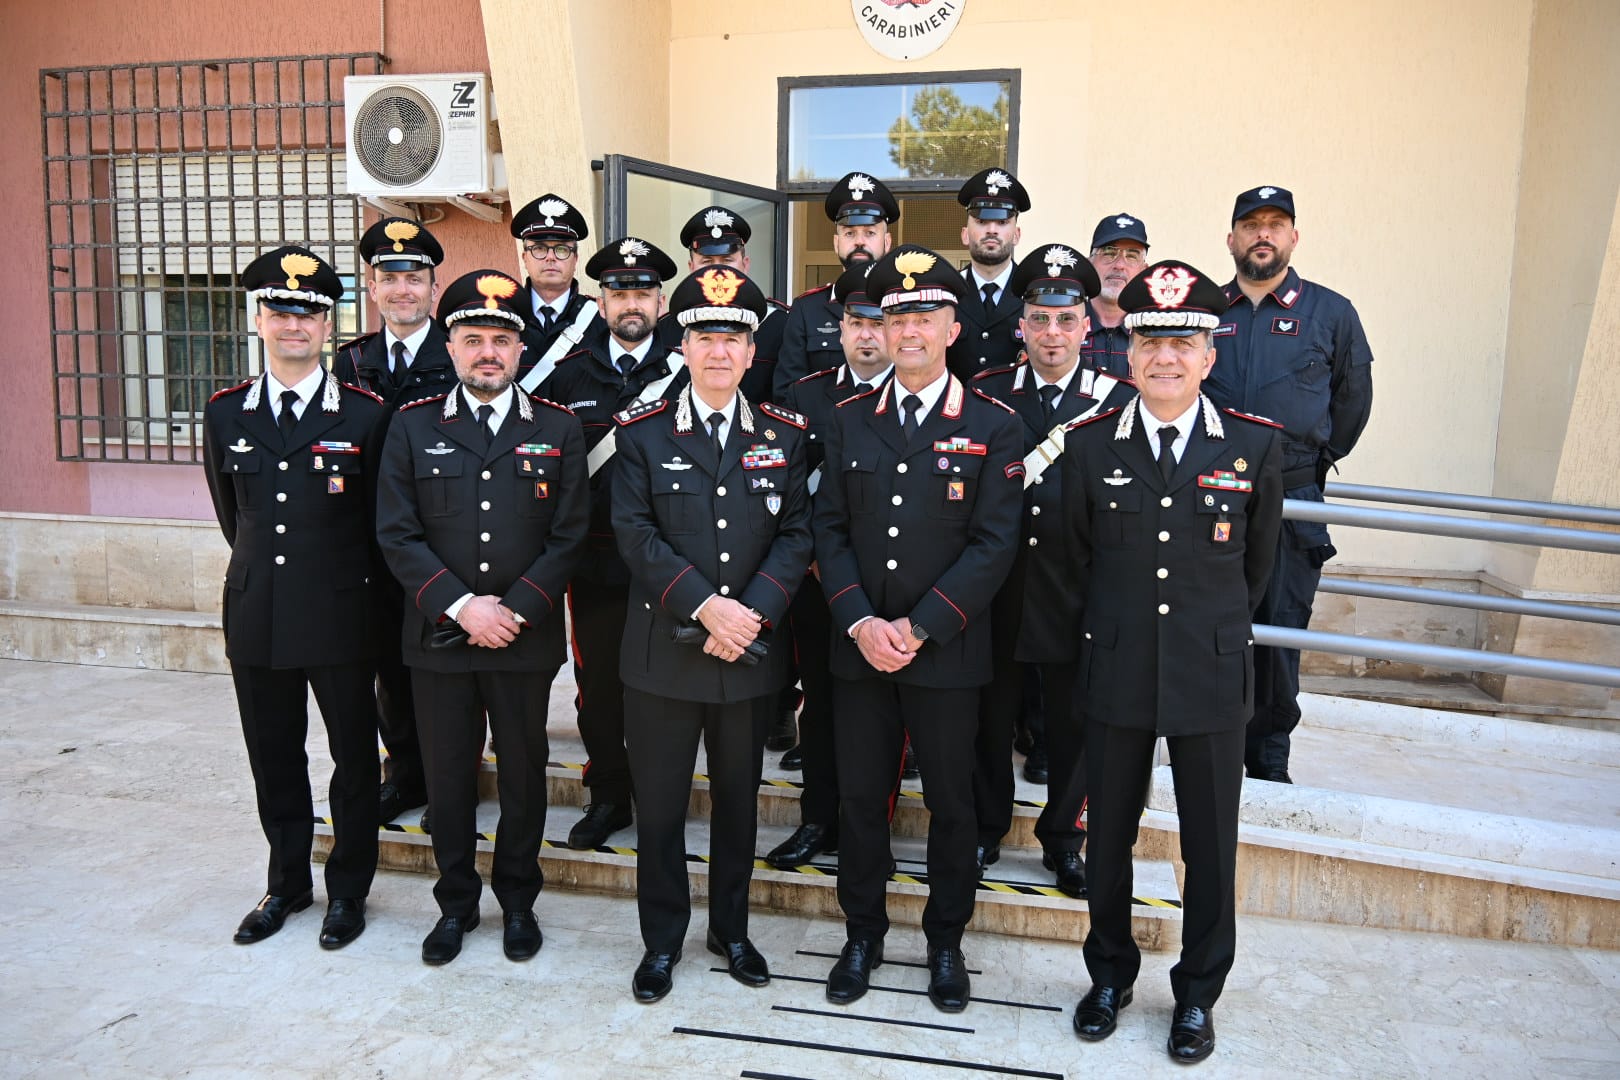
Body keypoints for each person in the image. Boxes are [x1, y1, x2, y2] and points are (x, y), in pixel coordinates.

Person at [1061, 260, 1282, 1064]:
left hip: (1210, 671)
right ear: (1126, 350)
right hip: (1117, 667)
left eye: (1183, 340)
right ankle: (1111, 976)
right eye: (1151, 339)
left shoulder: (1254, 447)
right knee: (1109, 837)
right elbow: (1074, 563)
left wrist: (1202, 627)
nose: (1166, 356)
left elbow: (1255, 571)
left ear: (1209, 354)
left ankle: (1197, 995)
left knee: (1209, 846)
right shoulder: (1090, 449)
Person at [814, 245, 1023, 1013]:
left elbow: (994, 543)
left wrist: (921, 625)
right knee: (861, 801)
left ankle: (945, 942)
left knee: (951, 804)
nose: (907, 330)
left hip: (947, 651)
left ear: (952, 327)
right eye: (896, 315)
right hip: (860, 648)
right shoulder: (845, 421)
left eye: (924, 315)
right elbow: (827, 530)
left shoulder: (994, 426)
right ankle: (861, 934)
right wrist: (862, 621)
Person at [611, 265, 813, 1003]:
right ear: (683, 345)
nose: (719, 351)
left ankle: (732, 930)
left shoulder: (785, 436)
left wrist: (749, 612)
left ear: (752, 351)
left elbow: (797, 535)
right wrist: (707, 607)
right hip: (663, 657)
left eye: (733, 337)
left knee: (737, 804)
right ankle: (661, 941)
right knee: (660, 810)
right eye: (704, 336)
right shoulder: (642, 434)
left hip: (748, 658)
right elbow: (634, 534)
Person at [375, 270, 589, 966]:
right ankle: (456, 904)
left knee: (525, 775)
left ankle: (519, 902)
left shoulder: (557, 427)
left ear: (521, 350)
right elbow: (397, 534)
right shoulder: (412, 426)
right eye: (473, 339)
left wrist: (514, 610)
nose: (488, 352)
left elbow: (569, 535)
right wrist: (465, 606)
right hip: (440, 639)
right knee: (447, 779)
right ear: (452, 347)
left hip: (522, 641)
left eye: (501, 339)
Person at [202, 245, 385, 950]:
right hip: (256, 610)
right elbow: (232, 513)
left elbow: (376, 524)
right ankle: (286, 884)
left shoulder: (363, 415)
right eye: (281, 311)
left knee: (353, 759)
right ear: (258, 319)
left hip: (341, 610)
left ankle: (348, 892)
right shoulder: (225, 413)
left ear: (327, 326)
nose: (294, 326)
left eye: (309, 313)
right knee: (273, 754)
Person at [969, 243, 1135, 897]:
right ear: (1021, 325)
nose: (1052, 334)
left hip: (1079, 592)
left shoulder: (1116, 401)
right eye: (1039, 318)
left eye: (1066, 320)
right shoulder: (985, 395)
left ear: (1087, 325)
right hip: (997, 589)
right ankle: (985, 825)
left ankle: (1065, 840)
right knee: (988, 717)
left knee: (1075, 727)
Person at [1205, 186, 1374, 782]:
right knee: (1206, 623)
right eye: (1251, 225)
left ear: (1294, 237)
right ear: (1231, 238)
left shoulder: (1330, 313)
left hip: (1292, 496)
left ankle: (1268, 755)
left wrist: (1304, 464)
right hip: (1210, 495)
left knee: (1278, 627)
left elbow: (1352, 404)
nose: (1263, 235)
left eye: (1276, 224)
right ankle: (1204, 742)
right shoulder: (1206, 310)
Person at [534, 236, 683, 850]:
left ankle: (661, 796)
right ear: (600, 300)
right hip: (594, 567)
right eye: (619, 291)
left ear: (661, 300)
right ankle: (608, 795)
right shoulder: (569, 374)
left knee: (668, 690)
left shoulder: (688, 367)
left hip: (672, 568)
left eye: (642, 292)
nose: (630, 302)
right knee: (599, 693)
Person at [766, 263, 894, 870]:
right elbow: (789, 493)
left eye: (878, 322)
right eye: (854, 322)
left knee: (886, 710)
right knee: (819, 701)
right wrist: (813, 558)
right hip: (819, 580)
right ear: (838, 328)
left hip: (894, 583)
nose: (867, 335)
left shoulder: (919, 394)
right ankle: (818, 819)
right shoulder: (805, 396)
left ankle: (872, 831)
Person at [334, 216, 455, 828]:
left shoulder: (458, 352)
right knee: (389, 668)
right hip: (373, 548)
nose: (403, 288)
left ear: (434, 287)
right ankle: (406, 775)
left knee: (449, 673)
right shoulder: (349, 360)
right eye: (390, 277)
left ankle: (449, 783)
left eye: (415, 277)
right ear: (372, 287)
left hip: (447, 543)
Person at [773, 171, 899, 399]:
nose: (859, 241)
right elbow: (786, 395)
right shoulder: (807, 309)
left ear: (887, 241)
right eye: (850, 233)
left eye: (870, 233)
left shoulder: (903, 303)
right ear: (836, 242)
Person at [657, 205, 789, 405]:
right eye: (707, 262)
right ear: (691, 268)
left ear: (745, 265)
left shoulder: (780, 326)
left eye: (727, 260)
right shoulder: (666, 328)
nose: (717, 270)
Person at [946, 167, 1031, 380]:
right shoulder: (946, 292)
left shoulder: (1033, 292)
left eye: (1002, 222)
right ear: (965, 234)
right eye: (982, 221)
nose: (992, 230)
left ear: (1016, 235)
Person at [509, 193, 599, 390]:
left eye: (561, 249)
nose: (550, 258)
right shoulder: (505, 317)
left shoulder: (600, 320)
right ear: (525, 258)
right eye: (539, 249)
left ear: (575, 259)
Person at [1082, 213, 1150, 380]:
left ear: (1144, 270)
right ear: (1089, 263)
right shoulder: (1067, 325)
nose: (1119, 265)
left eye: (1132, 256)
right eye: (1109, 253)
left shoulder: (1154, 331)